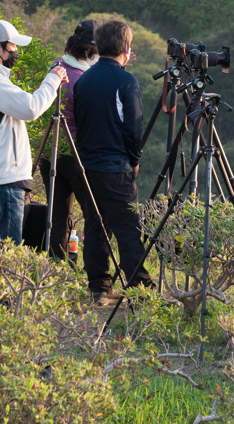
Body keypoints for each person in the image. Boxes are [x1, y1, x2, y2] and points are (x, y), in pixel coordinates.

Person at [73, 19, 154, 306]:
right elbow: (133, 128)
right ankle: (142, 291)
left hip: (87, 166)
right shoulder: (126, 81)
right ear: (127, 46)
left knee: (96, 225)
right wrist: (134, 159)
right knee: (128, 228)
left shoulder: (84, 80)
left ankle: (99, 287)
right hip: (114, 166)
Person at [0, 19, 67, 245]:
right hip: (3, 184)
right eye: (13, 46)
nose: (16, 52)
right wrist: (52, 79)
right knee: (5, 260)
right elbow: (31, 107)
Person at [37, 19, 99, 260]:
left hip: (50, 151)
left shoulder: (59, 66)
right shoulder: (83, 78)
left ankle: (55, 268)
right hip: (74, 153)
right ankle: (95, 272)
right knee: (95, 213)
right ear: (88, 51)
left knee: (57, 215)